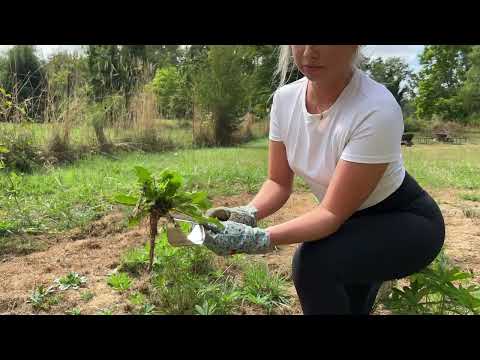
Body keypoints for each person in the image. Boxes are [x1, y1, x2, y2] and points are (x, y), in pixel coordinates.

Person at [203, 45, 445, 315]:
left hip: (403, 223)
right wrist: (245, 214)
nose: (309, 52)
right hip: (349, 223)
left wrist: (255, 238)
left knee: (313, 264)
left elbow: (330, 213)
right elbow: (278, 183)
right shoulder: (285, 100)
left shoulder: (376, 109)